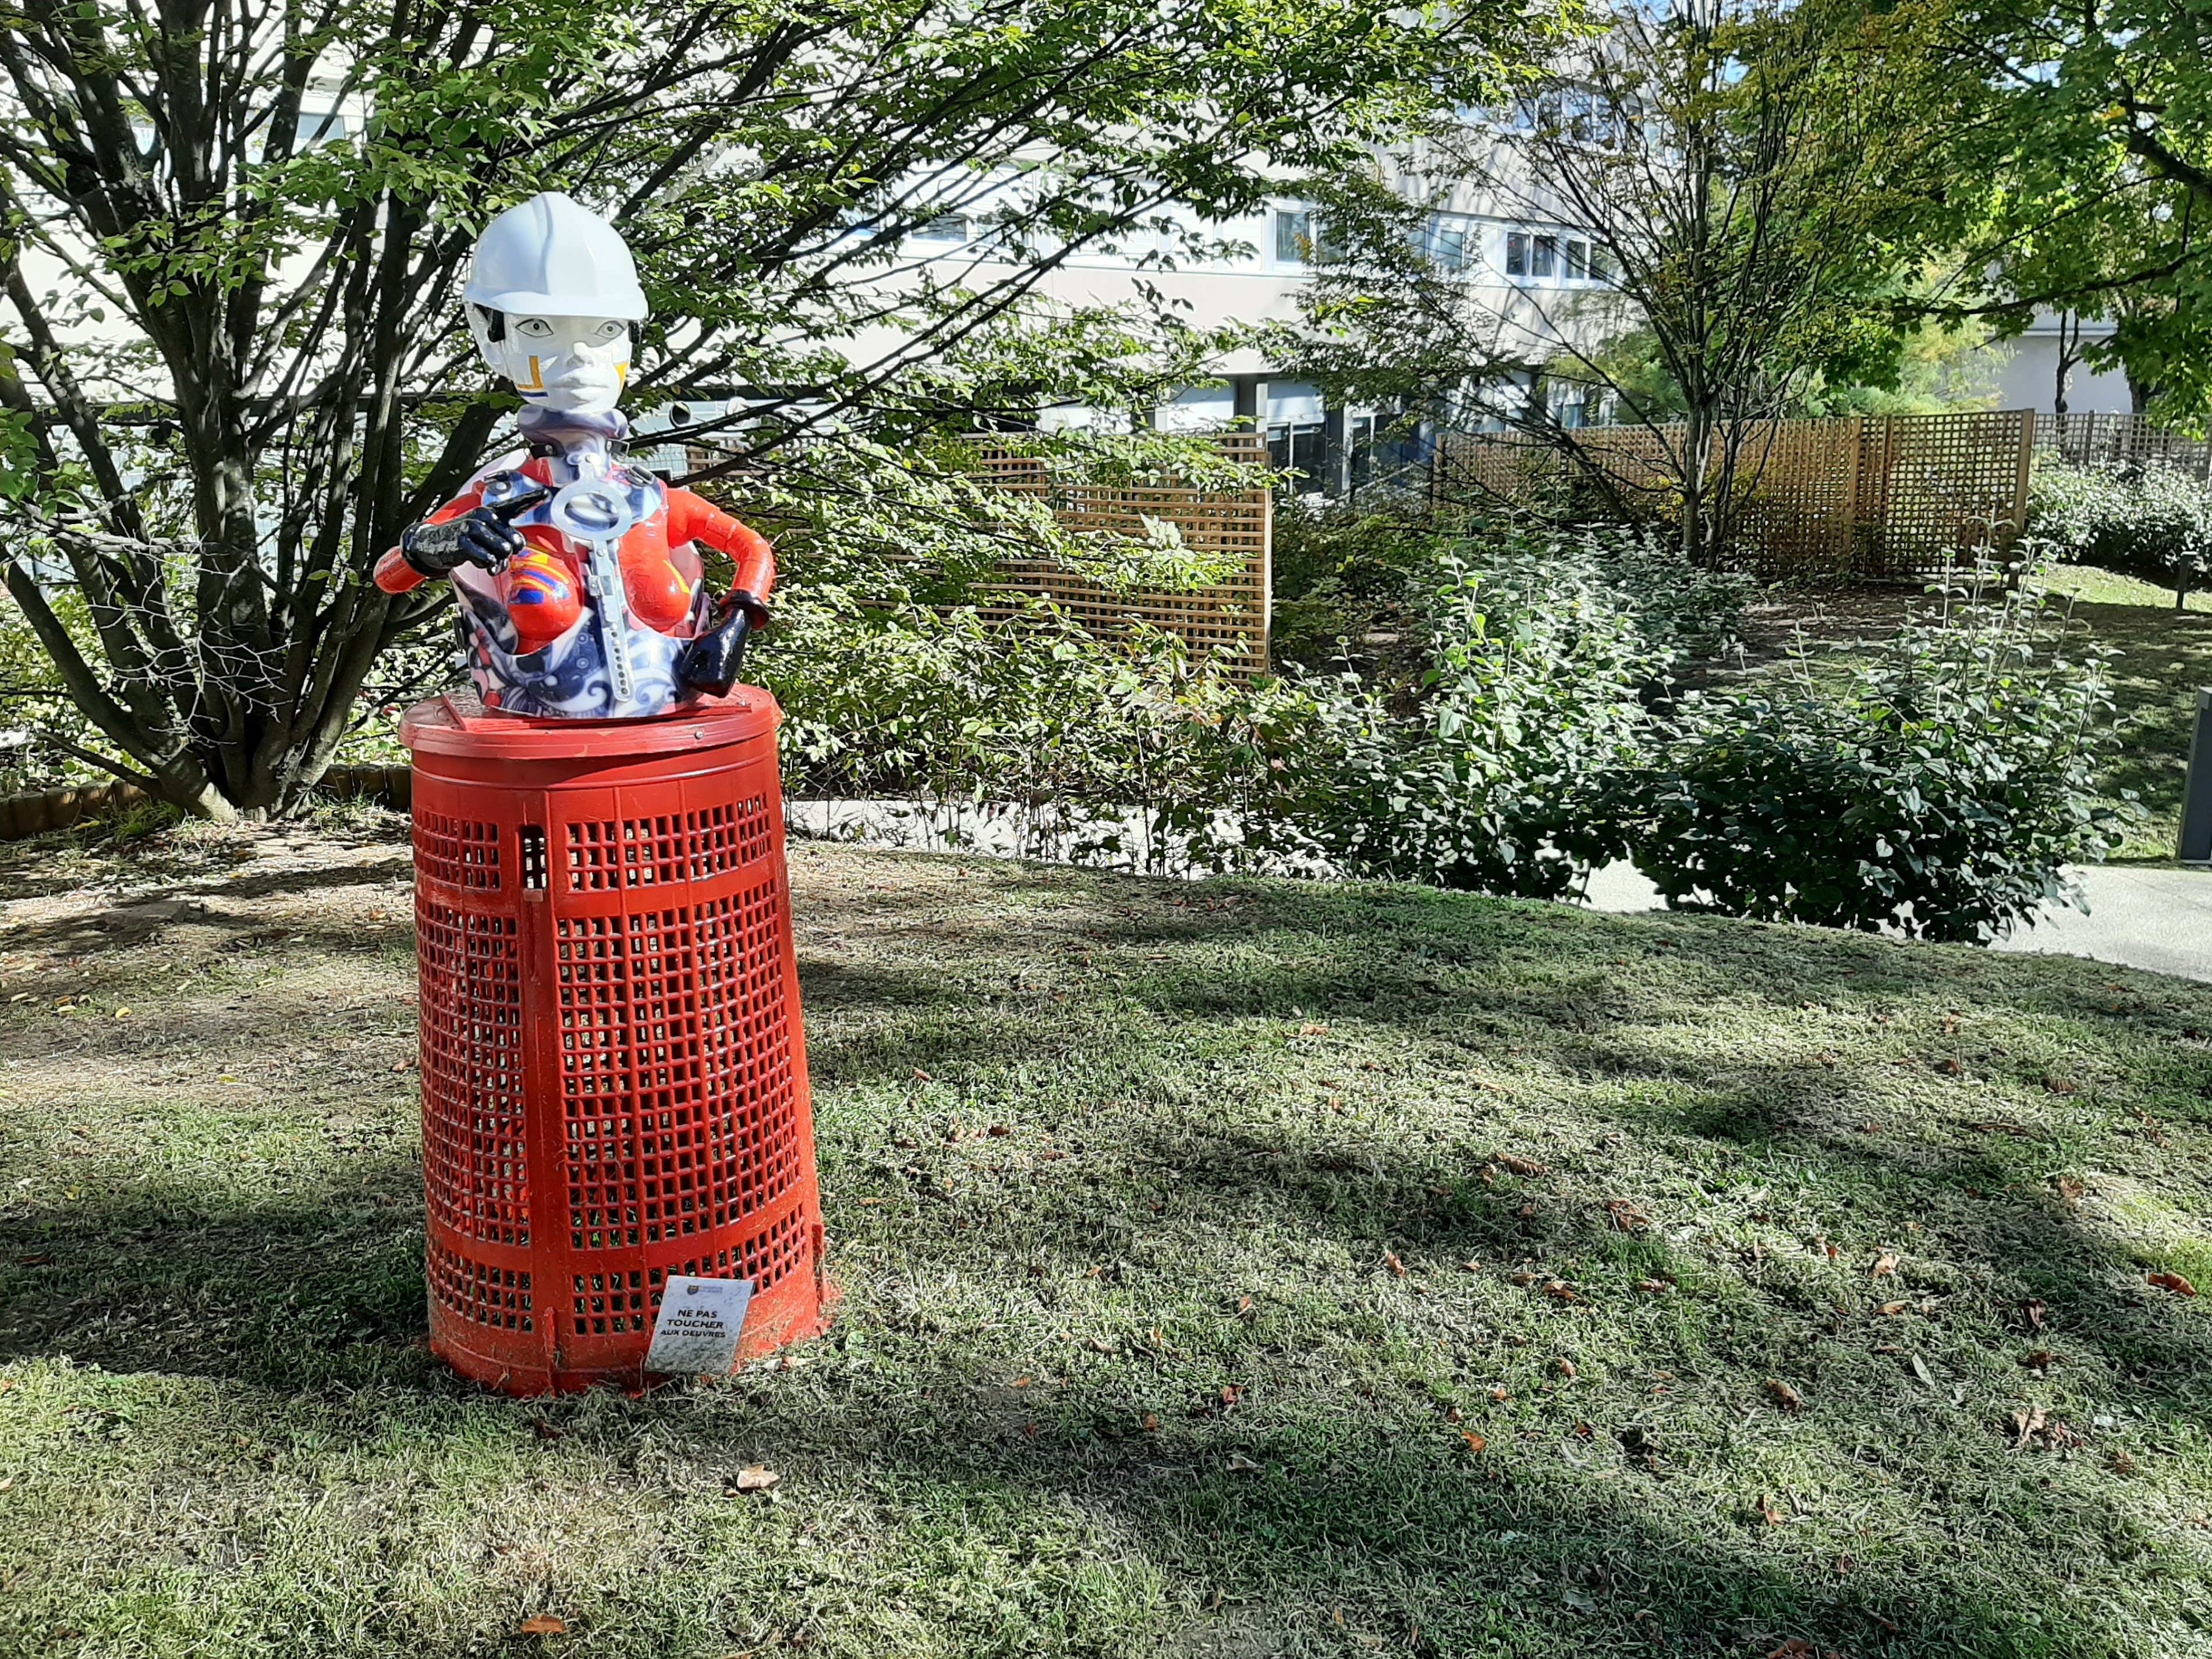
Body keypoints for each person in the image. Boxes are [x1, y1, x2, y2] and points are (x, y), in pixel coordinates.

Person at [374, 192, 772, 718]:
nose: (580, 355)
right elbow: (391, 573)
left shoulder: (652, 500)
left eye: (605, 330)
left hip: (668, 740)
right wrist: (444, 541)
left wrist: (735, 626)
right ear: (493, 339)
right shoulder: (502, 497)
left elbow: (752, 548)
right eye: (540, 329)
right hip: (538, 753)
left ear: (629, 342)